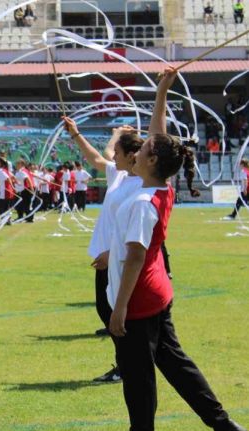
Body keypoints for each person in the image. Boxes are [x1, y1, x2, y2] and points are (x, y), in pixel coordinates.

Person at [108, 69, 246, 431]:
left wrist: (118, 309)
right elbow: (160, 137)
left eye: (145, 150)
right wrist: (162, 92)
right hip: (158, 293)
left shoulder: (142, 200)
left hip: (139, 301)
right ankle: (223, 425)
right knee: (178, 367)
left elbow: (135, 257)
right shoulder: (160, 187)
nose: (139, 149)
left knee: (140, 384)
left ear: (151, 161)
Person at [64, 118, 144, 384]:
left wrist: (112, 254)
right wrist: (76, 133)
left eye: (119, 152)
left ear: (132, 156)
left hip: (118, 259)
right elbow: (99, 157)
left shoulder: (142, 185)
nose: (113, 156)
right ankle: (127, 364)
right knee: (105, 310)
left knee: (117, 314)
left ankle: (128, 366)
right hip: (105, 257)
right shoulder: (120, 174)